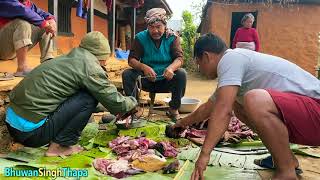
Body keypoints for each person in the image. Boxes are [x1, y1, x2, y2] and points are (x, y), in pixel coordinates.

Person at [172, 33, 320, 180]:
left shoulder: (231, 59)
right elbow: (208, 108)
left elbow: (223, 111)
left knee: (254, 100)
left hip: (316, 110)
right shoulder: (234, 66)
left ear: (206, 56)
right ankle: (287, 159)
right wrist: (181, 124)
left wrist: (204, 155)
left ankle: (286, 171)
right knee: (239, 105)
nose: (200, 70)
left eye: (199, 64)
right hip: (307, 116)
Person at [5, 31, 137, 157]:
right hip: (31, 133)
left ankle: (55, 140)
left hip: (13, 126)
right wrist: (132, 102)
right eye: (104, 59)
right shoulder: (90, 67)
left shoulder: (71, 59)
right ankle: (60, 146)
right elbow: (115, 101)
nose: (105, 63)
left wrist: (106, 106)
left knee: (87, 94)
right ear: (101, 55)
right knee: (88, 98)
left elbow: (73, 101)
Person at [122, 8, 186, 120]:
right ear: (147, 26)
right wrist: (144, 67)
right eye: (151, 27)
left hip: (167, 80)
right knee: (127, 74)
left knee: (181, 74)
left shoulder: (172, 37)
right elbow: (131, 60)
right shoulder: (140, 38)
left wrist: (171, 68)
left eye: (158, 27)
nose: (155, 31)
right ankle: (134, 108)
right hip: (147, 80)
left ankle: (173, 109)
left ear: (164, 25)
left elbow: (179, 58)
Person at [0, 0, 56, 77]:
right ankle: (22, 68)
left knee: (46, 27)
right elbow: (22, 10)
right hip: (2, 48)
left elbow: (42, 14)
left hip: (13, 50)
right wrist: (44, 23)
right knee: (22, 23)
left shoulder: (28, 4)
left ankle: (47, 64)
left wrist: (51, 19)